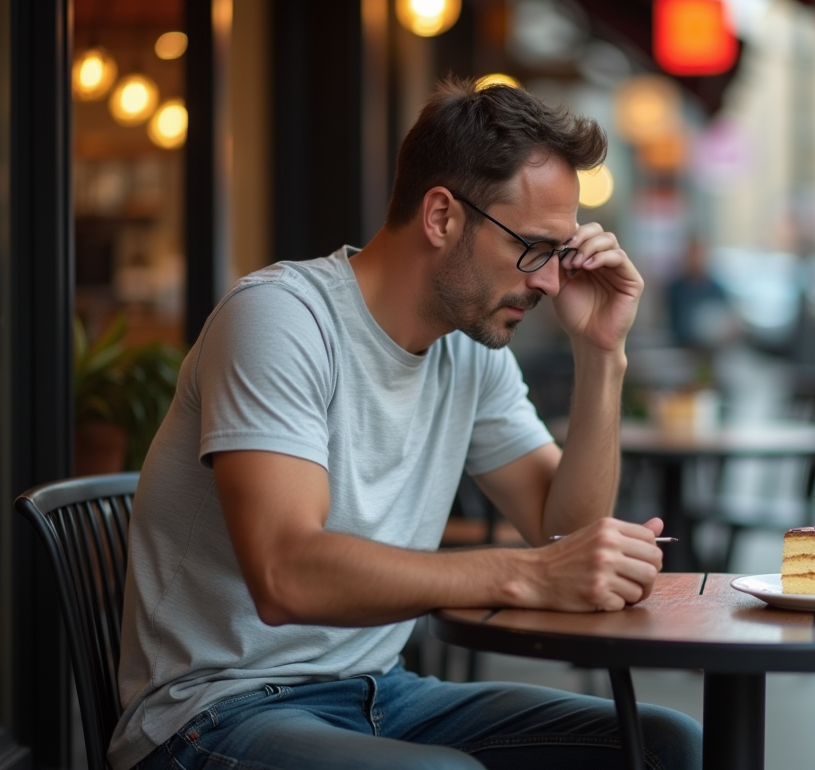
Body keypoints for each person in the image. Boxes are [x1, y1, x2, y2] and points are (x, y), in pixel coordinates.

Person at [110, 78, 702, 770]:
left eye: (559, 253)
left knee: (662, 746)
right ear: (443, 217)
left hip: (378, 692)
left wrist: (602, 352)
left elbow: (561, 530)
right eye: (532, 248)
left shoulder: (468, 347)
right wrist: (526, 575)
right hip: (214, 710)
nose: (548, 282)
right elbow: (285, 573)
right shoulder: (282, 320)